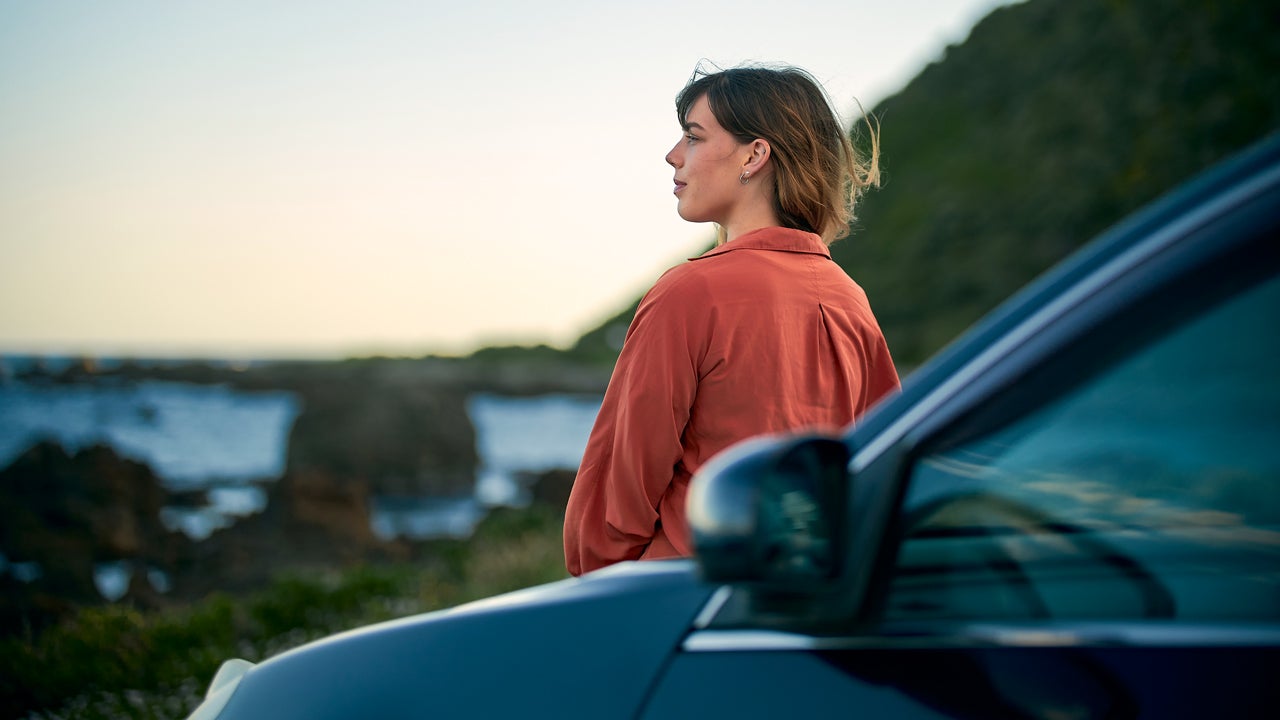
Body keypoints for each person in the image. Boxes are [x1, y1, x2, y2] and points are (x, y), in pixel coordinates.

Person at [563, 63, 900, 576]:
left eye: (694, 138)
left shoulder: (690, 293)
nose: (673, 155)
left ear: (755, 155)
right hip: (808, 603)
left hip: (684, 599)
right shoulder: (851, 300)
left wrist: (602, 587)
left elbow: (617, 498)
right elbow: (881, 473)